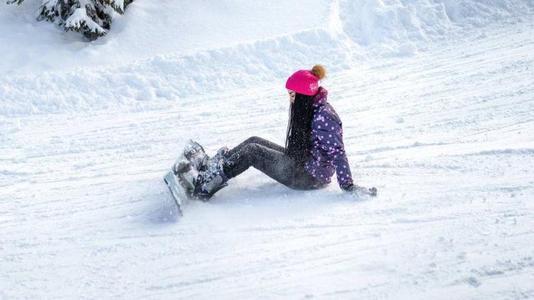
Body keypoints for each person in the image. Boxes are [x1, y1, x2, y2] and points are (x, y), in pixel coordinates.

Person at [179, 65, 376, 200]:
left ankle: (205, 184)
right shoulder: (311, 107)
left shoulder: (323, 117)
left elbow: (337, 152)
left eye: (292, 95)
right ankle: (213, 166)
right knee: (254, 140)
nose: (290, 99)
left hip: (309, 177)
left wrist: (348, 185)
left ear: (304, 95)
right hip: (302, 162)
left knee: (253, 151)